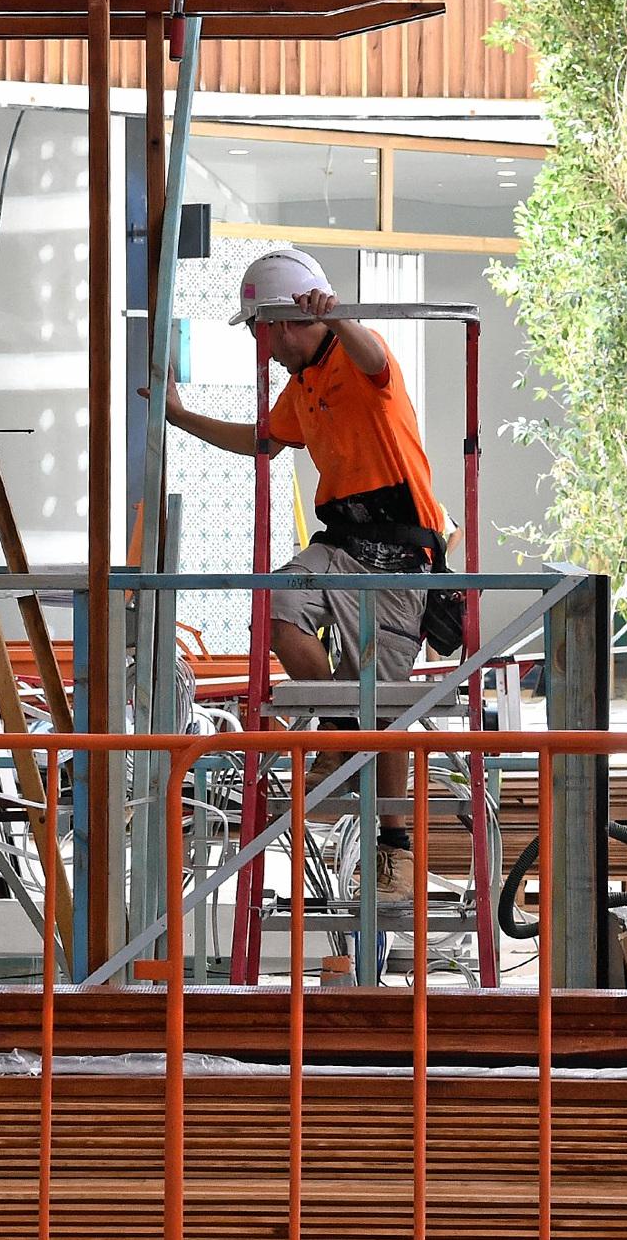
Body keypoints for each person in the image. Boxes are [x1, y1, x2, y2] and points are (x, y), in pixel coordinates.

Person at [164, 248, 451, 904]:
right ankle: (339, 727)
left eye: (263, 333)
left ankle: (393, 847)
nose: (262, 350)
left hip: (402, 556)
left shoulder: (357, 354)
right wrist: (182, 418)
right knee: (275, 609)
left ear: (288, 320)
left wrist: (339, 314)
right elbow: (262, 441)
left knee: (385, 699)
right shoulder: (302, 387)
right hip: (342, 544)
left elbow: (375, 357)